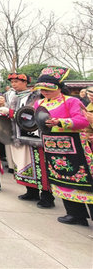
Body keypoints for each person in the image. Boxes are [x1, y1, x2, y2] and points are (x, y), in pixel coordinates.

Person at [33, 67, 93, 226]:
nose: (44, 92)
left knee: (85, 180)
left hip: (75, 146)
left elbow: (83, 121)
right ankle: (75, 214)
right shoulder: (39, 103)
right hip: (52, 146)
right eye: (42, 89)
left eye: (48, 89)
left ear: (59, 87)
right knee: (61, 179)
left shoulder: (71, 101)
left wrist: (60, 122)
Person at [5, 73, 54, 208]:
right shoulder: (14, 96)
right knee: (24, 163)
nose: (13, 84)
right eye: (12, 82)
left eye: (16, 82)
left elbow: (35, 113)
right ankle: (31, 191)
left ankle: (47, 196)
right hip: (19, 134)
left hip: (34, 135)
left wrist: (15, 114)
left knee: (40, 165)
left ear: (25, 82)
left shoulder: (36, 95)